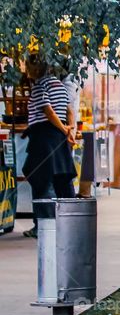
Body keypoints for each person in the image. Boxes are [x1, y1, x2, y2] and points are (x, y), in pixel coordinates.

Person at [21, 56, 77, 237]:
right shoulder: (59, 85)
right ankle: (70, 221)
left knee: (40, 179)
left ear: (35, 69)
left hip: (44, 138)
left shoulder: (39, 86)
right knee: (62, 180)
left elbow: (48, 110)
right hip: (59, 138)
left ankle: (44, 226)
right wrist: (69, 131)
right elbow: (68, 110)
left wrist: (62, 128)